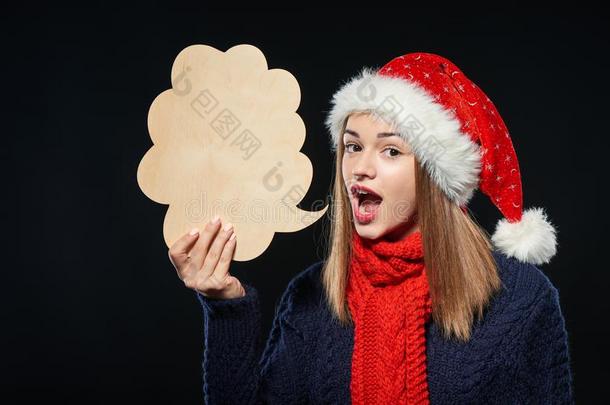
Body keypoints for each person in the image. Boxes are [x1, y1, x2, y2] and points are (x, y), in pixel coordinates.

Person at [168, 52, 575, 404]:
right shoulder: (310, 298)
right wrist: (225, 305)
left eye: (391, 150)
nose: (360, 168)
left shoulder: (522, 300)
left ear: (436, 175)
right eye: (353, 146)